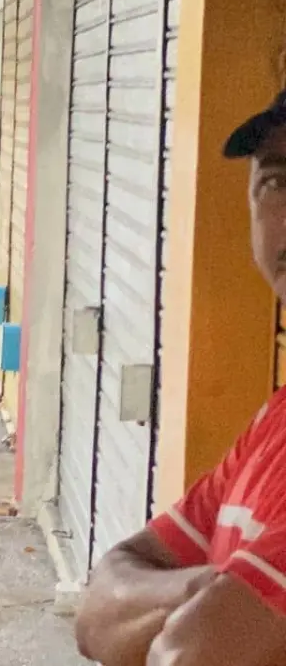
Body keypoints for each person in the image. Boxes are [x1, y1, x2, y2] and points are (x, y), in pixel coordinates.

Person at [74, 91, 286, 666]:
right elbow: (96, 610)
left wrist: (212, 598)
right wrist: (209, 590)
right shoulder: (275, 421)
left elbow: (193, 653)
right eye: (276, 181)